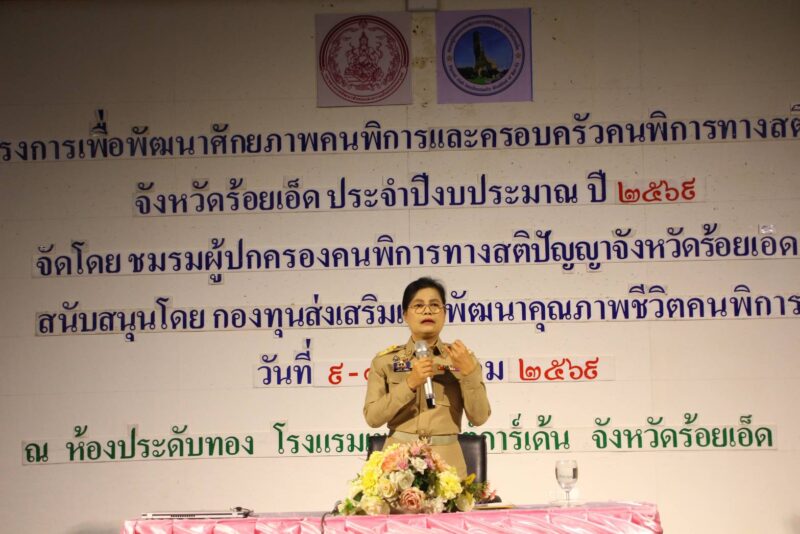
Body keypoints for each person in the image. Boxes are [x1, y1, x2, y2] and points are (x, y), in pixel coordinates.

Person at [363, 276, 491, 478]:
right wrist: (409, 383)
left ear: (445, 313)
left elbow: (479, 417)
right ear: (405, 315)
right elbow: (372, 418)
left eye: (435, 305)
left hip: (448, 466)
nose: (427, 311)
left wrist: (469, 373)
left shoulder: (461, 358)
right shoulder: (384, 361)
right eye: (418, 305)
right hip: (398, 463)